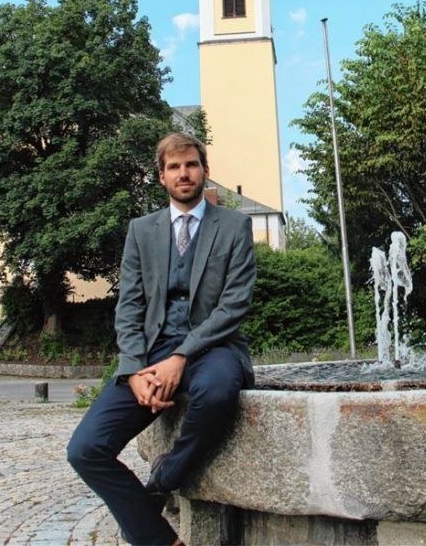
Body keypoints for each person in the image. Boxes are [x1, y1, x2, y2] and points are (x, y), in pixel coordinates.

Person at [67, 132, 256, 546]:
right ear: (162, 177)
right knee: (85, 449)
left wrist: (182, 356)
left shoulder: (235, 226)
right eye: (174, 167)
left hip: (214, 348)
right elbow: (129, 306)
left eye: (191, 165)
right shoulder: (141, 230)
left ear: (205, 171)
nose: (183, 173)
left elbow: (234, 305)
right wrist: (134, 370)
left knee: (219, 390)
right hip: (151, 352)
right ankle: (160, 541)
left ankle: (166, 477)